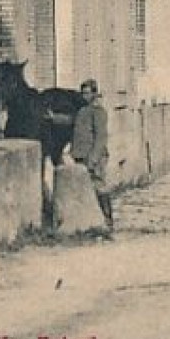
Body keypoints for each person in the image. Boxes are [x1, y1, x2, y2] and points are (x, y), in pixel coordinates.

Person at [70, 80, 112, 230]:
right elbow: (72, 122)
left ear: (94, 93)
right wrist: (54, 118)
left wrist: (93, 159)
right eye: (82, 93)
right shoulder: (82, 110)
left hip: (94, 157)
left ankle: (107, 221)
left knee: (99, 186)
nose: (84, 96)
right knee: (87, 188)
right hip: (81, 155)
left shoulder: (98, 111)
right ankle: (91, 222)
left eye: (87, 93)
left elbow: (101, 137)